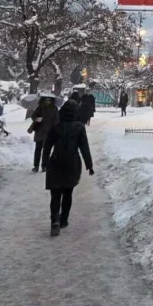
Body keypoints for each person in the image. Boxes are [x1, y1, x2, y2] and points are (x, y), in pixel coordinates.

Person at [43, 100, 93, 237]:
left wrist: (45, 162)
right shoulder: (79, 127)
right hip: (72, 163)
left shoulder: (55, 127)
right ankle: (64, 219)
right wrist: (89, 165)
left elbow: (47, 146)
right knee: (67, 193)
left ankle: (54, 219)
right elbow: (84, 147)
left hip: (56, 162)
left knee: (55, 194)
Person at [27, 95, 58, 172]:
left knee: (46, 150)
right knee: (38, 149)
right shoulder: (40, 108)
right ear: (43, 100)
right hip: (39, 132)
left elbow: (57, 120)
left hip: (49, 132)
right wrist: (37, 119)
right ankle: (36, 166)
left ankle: (45, 165)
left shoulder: (54, 109)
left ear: (52, 101)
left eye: (49, 100)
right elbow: (33, 116)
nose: (47, 102)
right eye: (46, 100)